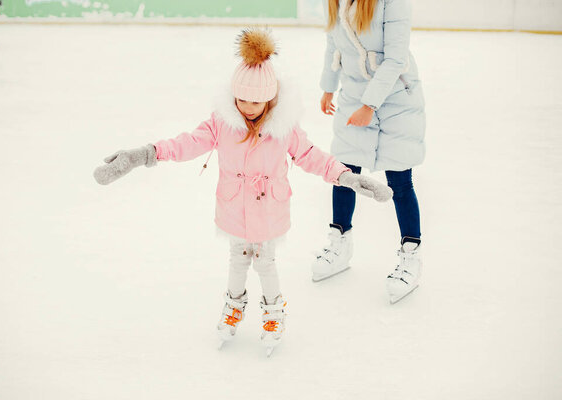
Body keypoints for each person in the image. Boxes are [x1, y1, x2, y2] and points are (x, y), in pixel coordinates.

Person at [93, 29, 393, 355]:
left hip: (268, 210)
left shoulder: (283, 129)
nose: (248, 107)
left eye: (256, 101)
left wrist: (345, 176)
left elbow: (311, 156)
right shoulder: (222, 123)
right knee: (237, 258)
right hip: (234, 207)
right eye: (242, 99)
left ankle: (274, 312)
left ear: (270, 99)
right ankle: (233, 307)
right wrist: (145, 153)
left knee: (265, 261)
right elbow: (187, 143)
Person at [312, 0, 426, 304]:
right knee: (344, 174)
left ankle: (410, 256)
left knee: (400, 180)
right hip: (353, 93)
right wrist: (327, 86)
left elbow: (395, 58)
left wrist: (370, 104)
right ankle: (340, 241)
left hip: (396, 97)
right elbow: (332, 44)